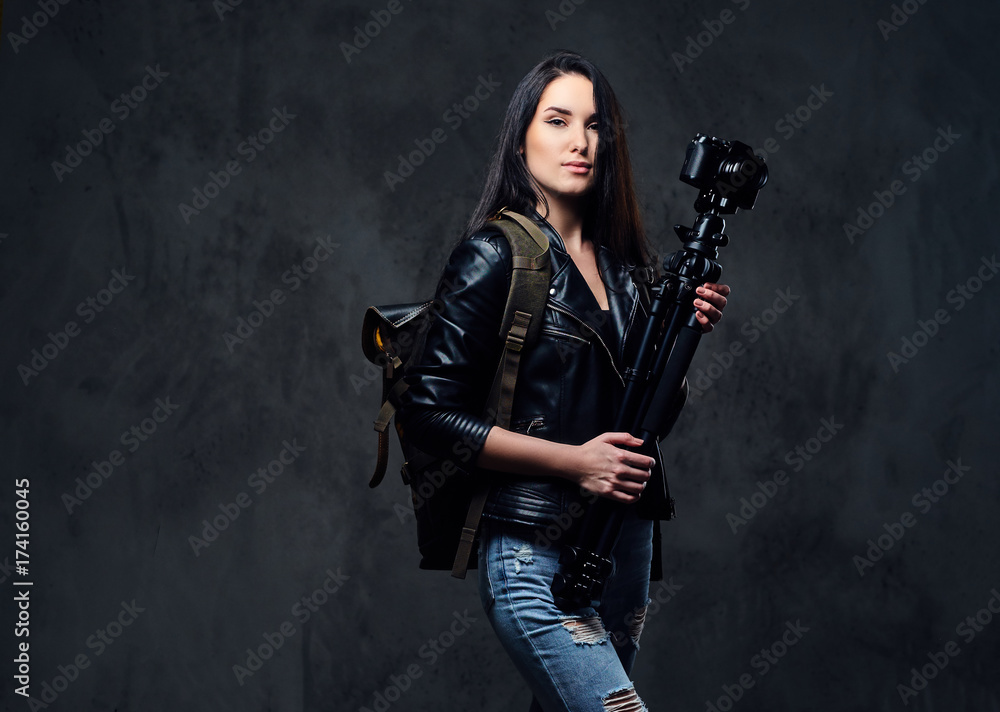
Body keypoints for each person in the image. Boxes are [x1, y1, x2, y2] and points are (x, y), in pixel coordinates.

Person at [397, 50, 730, 712]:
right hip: (533, 548)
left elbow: (648, 419)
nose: (580, 141)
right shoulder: (494, 255)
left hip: (624, 544)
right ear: (521, 140)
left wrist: (685, 334)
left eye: (596, 124)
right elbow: (427, 413)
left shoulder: (632, 269)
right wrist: (576, 462)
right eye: (557, 121)